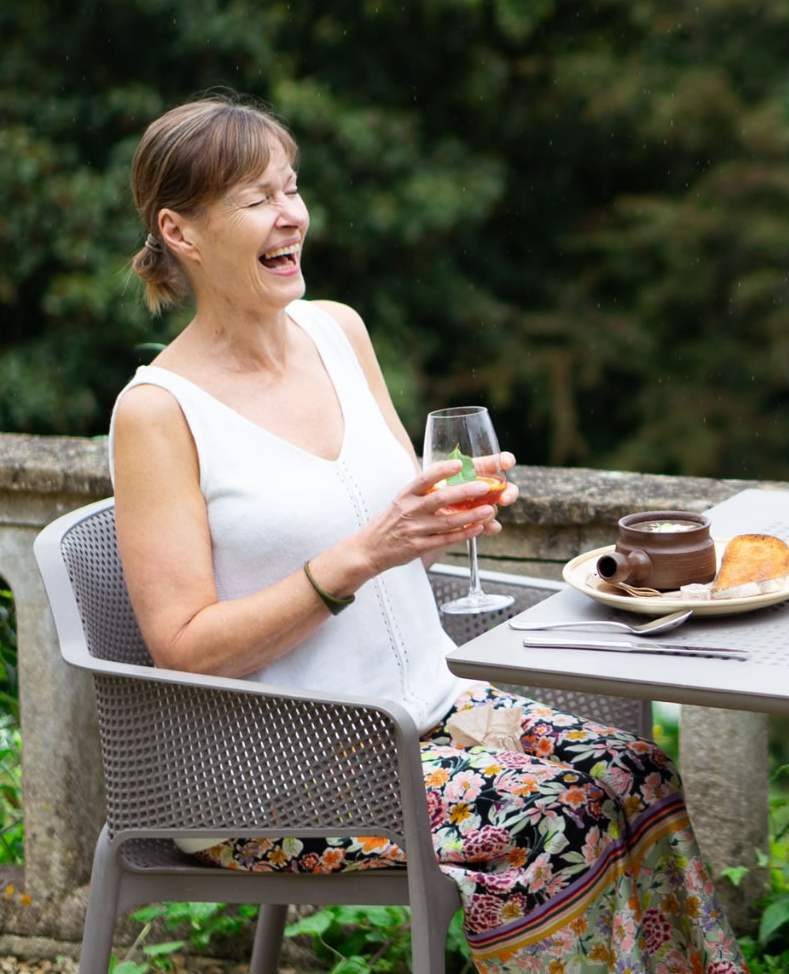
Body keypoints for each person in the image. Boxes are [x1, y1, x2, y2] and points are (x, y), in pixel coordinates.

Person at [110, 97, 744, 974]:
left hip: (429, 710)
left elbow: (402, 527)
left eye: (291, 189)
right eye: (257, 199)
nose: (291, 213)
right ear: (180, 231)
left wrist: (441, 521)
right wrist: (362, 556)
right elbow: (182, 648)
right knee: (552, 817)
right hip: (275, 777)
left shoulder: (337, 330)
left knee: (640, 774)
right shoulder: (157, 413)